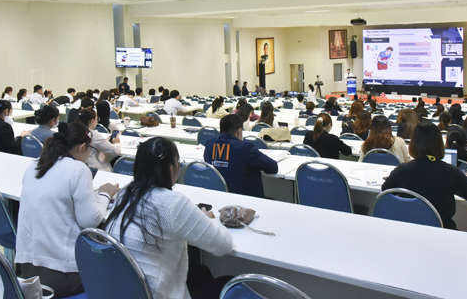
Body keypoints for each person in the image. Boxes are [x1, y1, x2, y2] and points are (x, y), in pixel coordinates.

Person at [108, 137, 233, 299]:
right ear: (171, 168)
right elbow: (224, 246)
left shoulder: (125, 193)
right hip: (154, 293)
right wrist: (206, 220)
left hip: (125, 290)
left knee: (201, 272)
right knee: (230, 283)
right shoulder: (173, 203)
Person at [16, 122, 121, 298]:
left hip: (27, 273)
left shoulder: (34, 167)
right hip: (61, 276)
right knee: (115, 266)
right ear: (82, 148)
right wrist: (104, 194)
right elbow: (90, 220)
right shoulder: (78, 169)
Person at [382, 123, 467, 229]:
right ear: (440, 144)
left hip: (409, 228)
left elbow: (385, 190)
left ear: (413, 144)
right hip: (442, 232)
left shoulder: (402, 169)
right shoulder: (451, 171)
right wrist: (453, 188)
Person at [204, 114, 278, 197]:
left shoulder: (209, 144)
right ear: (239, 131)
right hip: (246, 200)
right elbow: (273, 167)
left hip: (218, 196)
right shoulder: (245, 148)